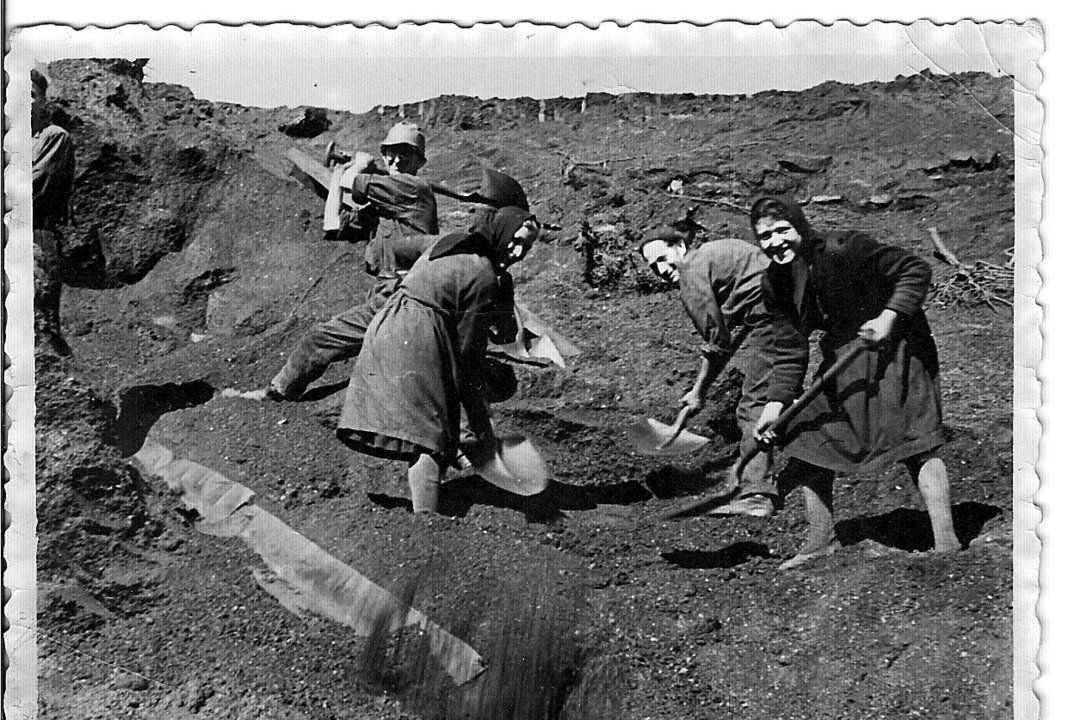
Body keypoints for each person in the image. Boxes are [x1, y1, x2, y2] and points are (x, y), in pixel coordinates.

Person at [749, 195, 962, 569]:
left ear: (799, 227)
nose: (775, 241)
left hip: (897, 342)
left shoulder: (842, 248)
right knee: (805, 429)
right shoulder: (775, 282)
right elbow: (788, 348)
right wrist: (775, 404)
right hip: (846, 350)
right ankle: (821, 540)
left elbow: (914, 269)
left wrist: (888, 316)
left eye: (782, 230)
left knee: (914, 437)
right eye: (765, 236)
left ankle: (947, 544)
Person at [336, 206, 540, 513]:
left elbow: (397, 247)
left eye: (526, 245)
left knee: (427, 426)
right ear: (501, 232)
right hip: (418, 335)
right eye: (516, 239)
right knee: (429, 437)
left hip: (390, 322)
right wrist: (476, 424)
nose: (518, 250)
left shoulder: (455, 243)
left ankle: (454, 470)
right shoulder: (483, 276)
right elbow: (468, 354)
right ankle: (428, 525)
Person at [263, 122, 438, 400]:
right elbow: (333, 225)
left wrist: (357, 166)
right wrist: (337, 176)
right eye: (389, 152)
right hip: (385, 298)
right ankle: (279, 392)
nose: (395, 159)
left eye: (404, 152)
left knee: (325, 341)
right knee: (321, 340)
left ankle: (278, 393)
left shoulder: (414, 187)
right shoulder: (383, 209)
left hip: (409, 297)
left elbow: (351, 185)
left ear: (419, 160)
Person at [639, 227, 779, 517]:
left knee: (752, 406)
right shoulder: (715, 255)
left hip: (773, 317)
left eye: (663, 259)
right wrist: (698, 392)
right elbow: (729, 334)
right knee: (781, 391)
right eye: (654, 267)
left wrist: (698, 392)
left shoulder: (692, 273)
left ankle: (756, 494)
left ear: (679, 245)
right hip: (786, 301)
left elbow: (717, 343)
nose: (662, 270)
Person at [31, 67, 76, 356]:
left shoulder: (54, 137)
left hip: (35, 238)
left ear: (44, 100)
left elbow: (33, 186)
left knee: (39, 327)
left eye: (31, 95)